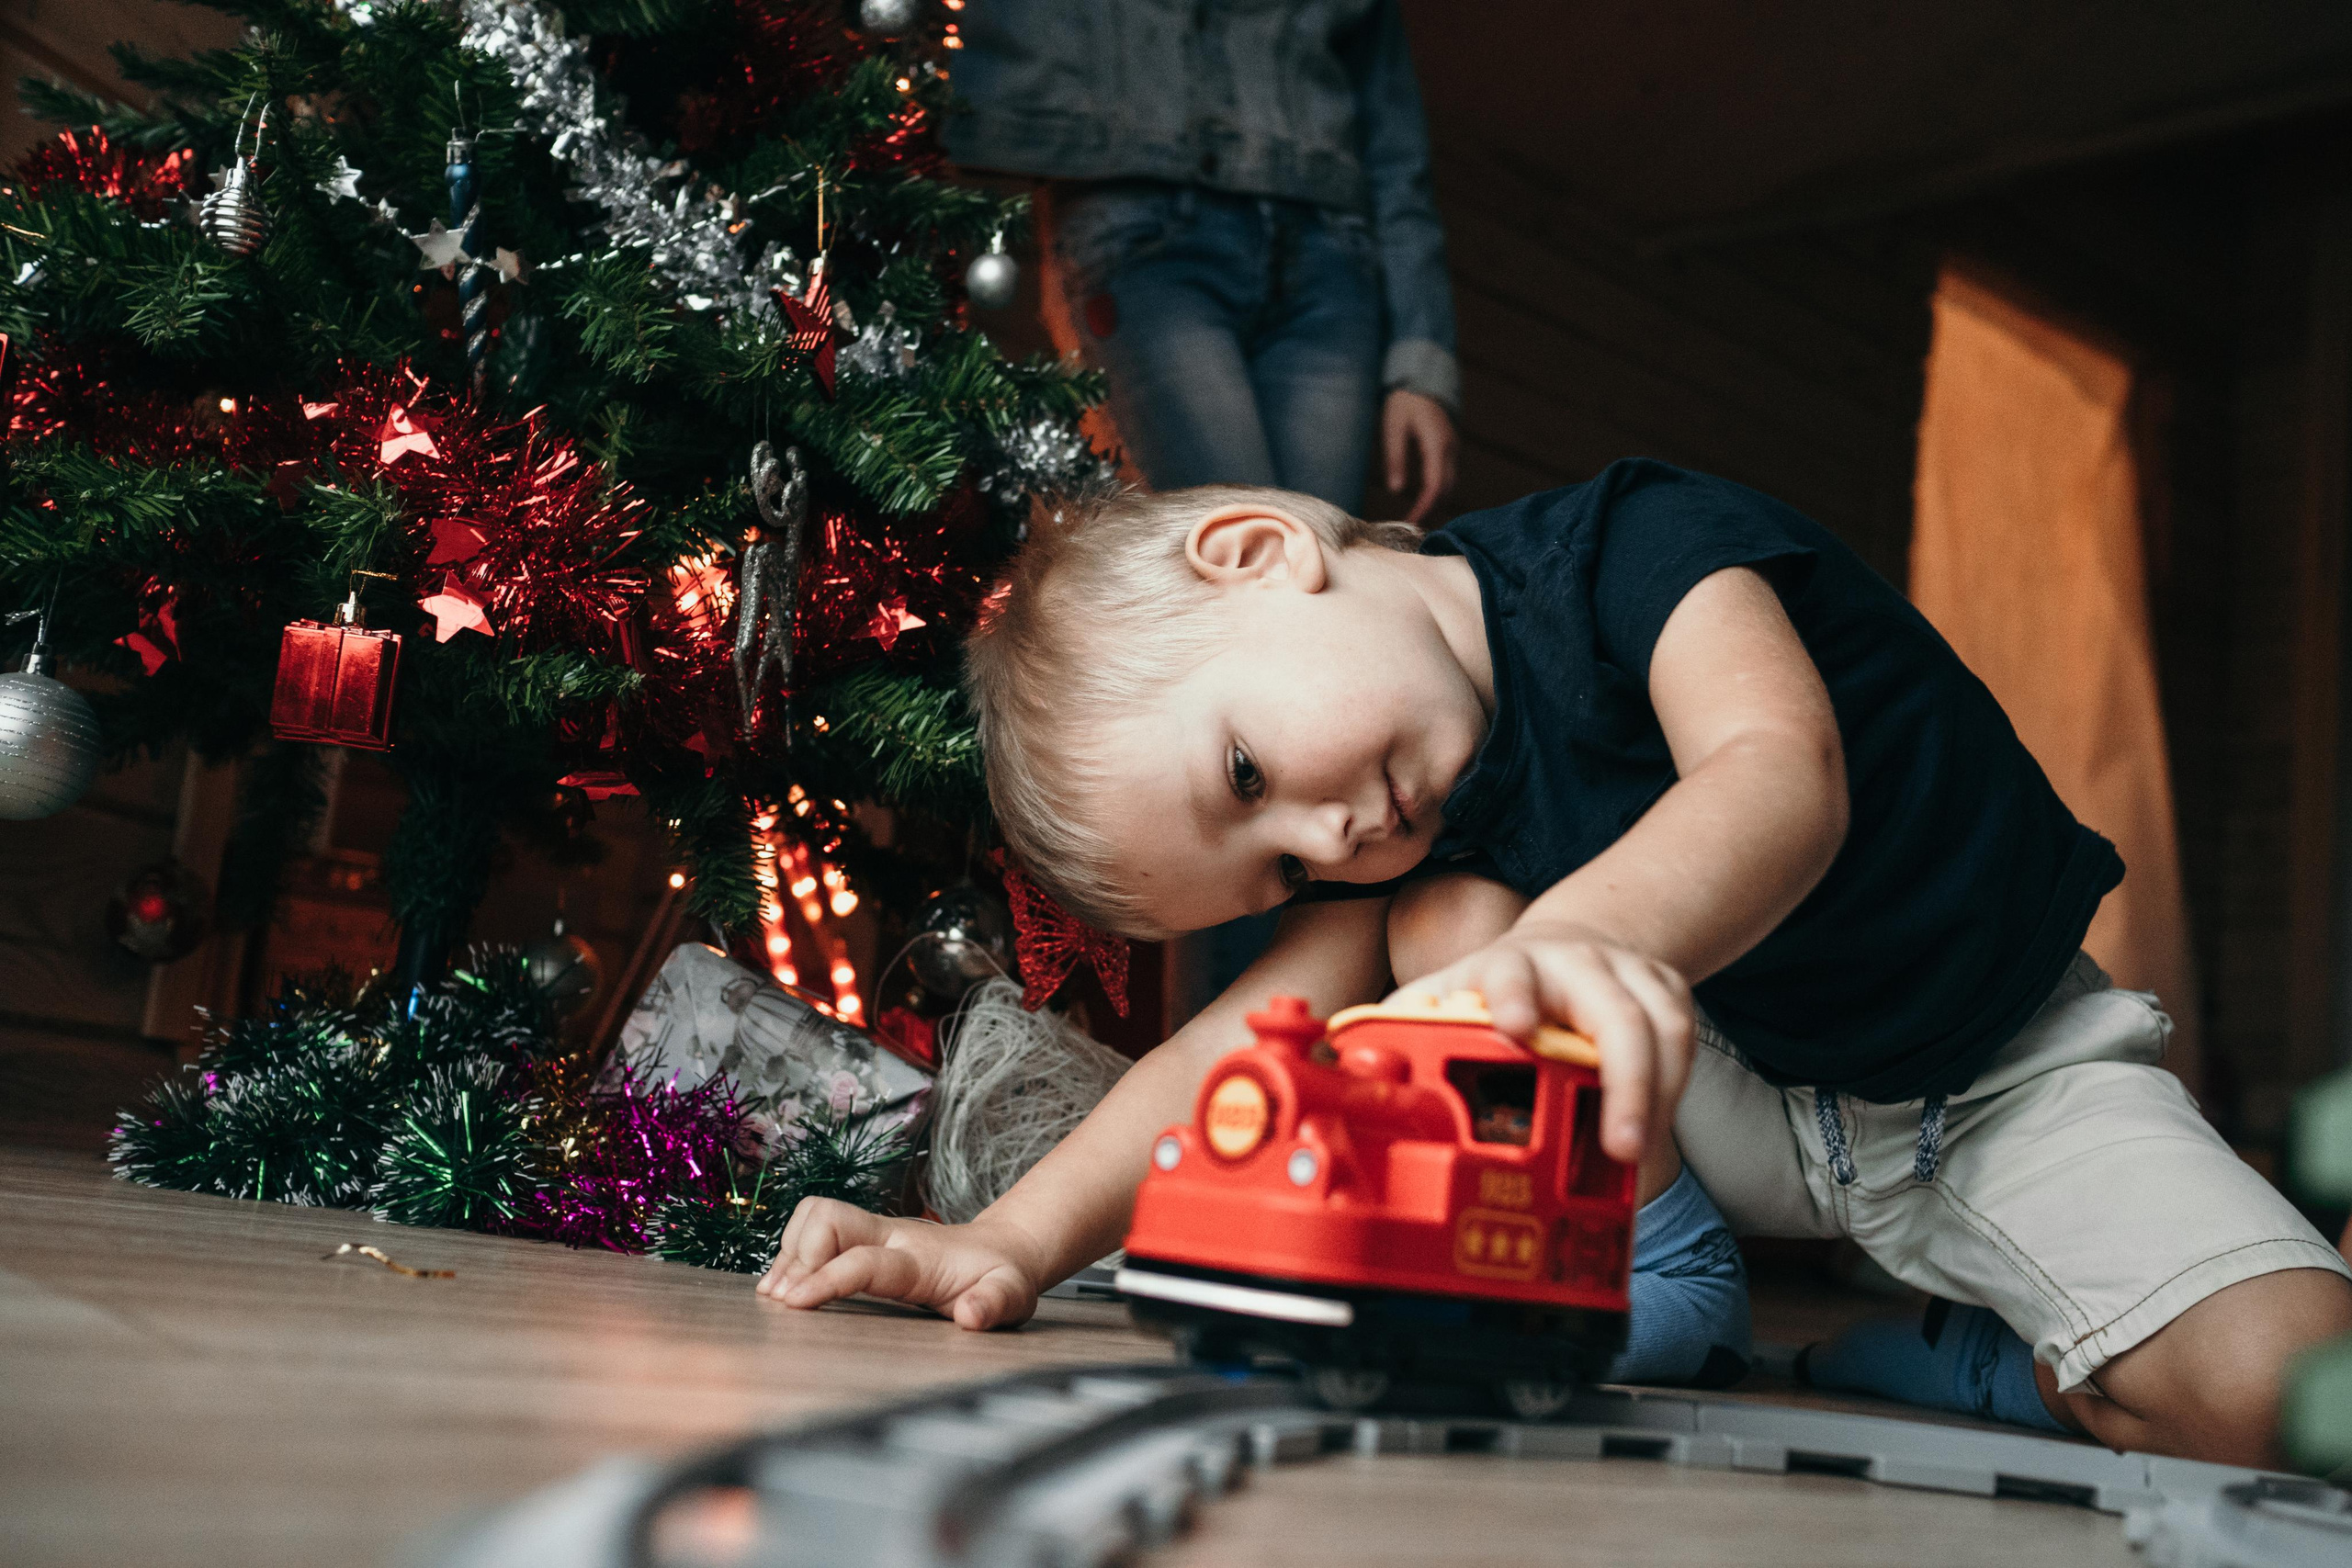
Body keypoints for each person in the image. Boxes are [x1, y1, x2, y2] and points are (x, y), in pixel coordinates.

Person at [759, 461, 2352, 1466]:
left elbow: (1780, 782)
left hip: (2000, 1078)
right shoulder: (1414, 845)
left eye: (1249, 779)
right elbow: (1234, 1043)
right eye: (1285, 862)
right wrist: (1011, 1243)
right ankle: (1672, 1274)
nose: (1331, 833)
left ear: (1257, 553)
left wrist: (1556, 956)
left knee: (2282, 1390)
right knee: (1438, 935)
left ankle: (1996, 1363)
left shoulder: (1641, 548)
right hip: (1728, 1099)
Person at [948, 0, 1464, 1013]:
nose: (1323, 842)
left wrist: (1422, 361)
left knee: (1323, 635)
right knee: (1245, 724)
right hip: (1136, 223)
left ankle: (1296, 1075)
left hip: (1330, 249)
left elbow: (1392, 129)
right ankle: (1251, 1095)